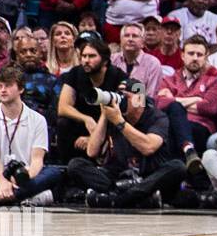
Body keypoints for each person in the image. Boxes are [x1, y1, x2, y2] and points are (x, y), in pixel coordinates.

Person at [68, 77, 185, 208]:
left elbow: (148, 147)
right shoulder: (115, 115)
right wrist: (105, 115)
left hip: (148, 176)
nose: (121, 101)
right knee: (75, 165)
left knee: (178, 167)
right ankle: (137, 199)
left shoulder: (157, 117)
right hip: (119, 177)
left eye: (125, 97)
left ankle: (117, 199)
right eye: (119, 96)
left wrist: (119, 122)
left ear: (139, 99)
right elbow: (92, 151)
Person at [0, 63, 63, 206]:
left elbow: (37, 159)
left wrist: (24, 179)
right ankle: (25, 197)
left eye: (8, 86)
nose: (3, 90)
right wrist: (2, 181)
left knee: (54, 173)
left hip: (25, 176)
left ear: (20, 88)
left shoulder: (38, 120)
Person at [155, 35, 217, 172]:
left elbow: (210, 107)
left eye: (199, 54)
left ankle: (175, 177)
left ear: (206, 57)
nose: (195, 58)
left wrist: (174, 99)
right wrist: (196, 99)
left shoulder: (213, 80)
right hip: (172, 125)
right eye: (191, 53)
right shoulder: (170, 79)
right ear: (182, 55)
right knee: (172, 117)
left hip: (201, 126)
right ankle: (189, 155)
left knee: (174, 114)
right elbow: (160, 104)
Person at [110, 21, 164, 98]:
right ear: (121, 40)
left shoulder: (153, 64)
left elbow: (151, 97)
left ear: (143, 43)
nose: (130, 39)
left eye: (135, 36)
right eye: (126, 35)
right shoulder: (112, 60)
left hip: (142, 106)